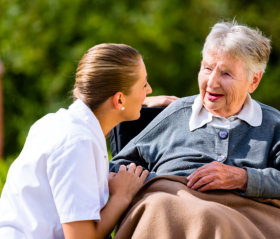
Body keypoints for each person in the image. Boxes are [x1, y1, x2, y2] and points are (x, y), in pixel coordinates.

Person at [110, 21, 280, 238]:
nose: (212, 83)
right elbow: (116, 170)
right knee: (161, 205)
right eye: (207, 68)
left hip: (244, 221)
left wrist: (243, 178)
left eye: (226, 74)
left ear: (254, 80)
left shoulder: (271, 123)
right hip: (174, 213)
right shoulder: (177, 114)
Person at [0, 43, 177, 238]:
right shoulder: (77, 144)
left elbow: (105, 113)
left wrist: (141, 102)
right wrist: (122, 195)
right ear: (119, 100)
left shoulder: (55, 122)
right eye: (144, 85)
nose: (150, 90)